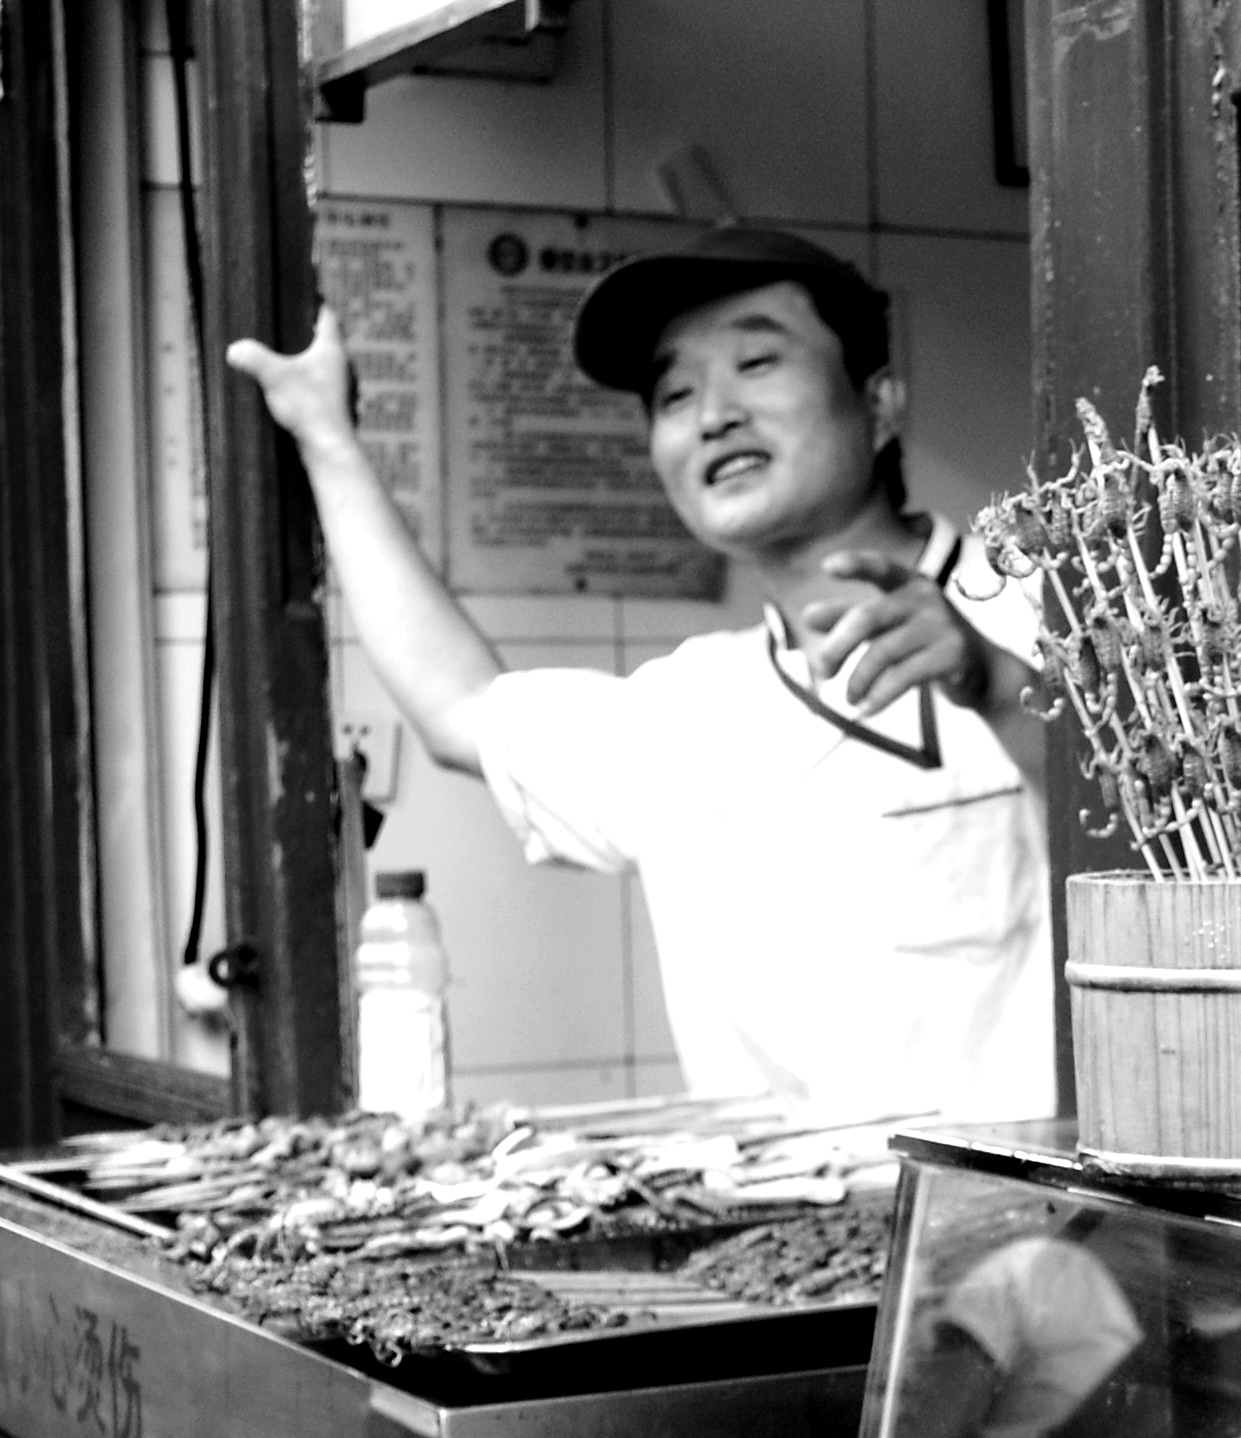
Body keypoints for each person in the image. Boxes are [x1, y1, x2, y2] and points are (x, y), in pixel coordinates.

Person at [226, 226, 1055, 1126]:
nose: (713, 414)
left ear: (881, 402)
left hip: (1043, 1247)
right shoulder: (694, 711)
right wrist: (326, 436)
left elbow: (1184, 858)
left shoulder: (1048, 614)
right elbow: (459, 709)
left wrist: (997, 686)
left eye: (757, 363)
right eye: (674, 393)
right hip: (795, 1246)